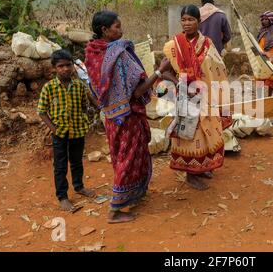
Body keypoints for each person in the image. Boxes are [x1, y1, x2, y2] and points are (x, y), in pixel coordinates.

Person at [85, 11, 174, 224]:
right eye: (116, 26)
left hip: (111, 116)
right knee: (129, 158)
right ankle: (115, 210)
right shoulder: (119, 53)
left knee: (121, 156)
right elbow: (136, 91)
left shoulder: (92, 52)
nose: (121, 30)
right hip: (127, 116)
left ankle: (133, 194)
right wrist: (160, 72)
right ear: (104, 30)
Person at [163, 5, 232, 191]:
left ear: (199, 21)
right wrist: (182, 84)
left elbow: (219, 69)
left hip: (206, 96)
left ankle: (202, 167)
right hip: (186, 97)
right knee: (189, 135)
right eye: (183, 20)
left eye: (190, 20)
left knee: (206, 132)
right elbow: (165, 72)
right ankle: (190, 174)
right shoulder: (174, 46)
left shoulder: (207, 44)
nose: (186, 24)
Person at [37, 49, 96, 212]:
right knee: (60, 165)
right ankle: (62, 197)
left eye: (68, 65)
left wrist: (87, 118)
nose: (65, 69)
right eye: (61, 66)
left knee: (77, 161)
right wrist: (53, 129)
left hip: (78, 131)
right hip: (60, 134)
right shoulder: (49, 88)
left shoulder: (79, 86)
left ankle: (79, 186)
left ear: (73, 66)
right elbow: (42, 111)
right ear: (54, 68)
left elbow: (86, 105)